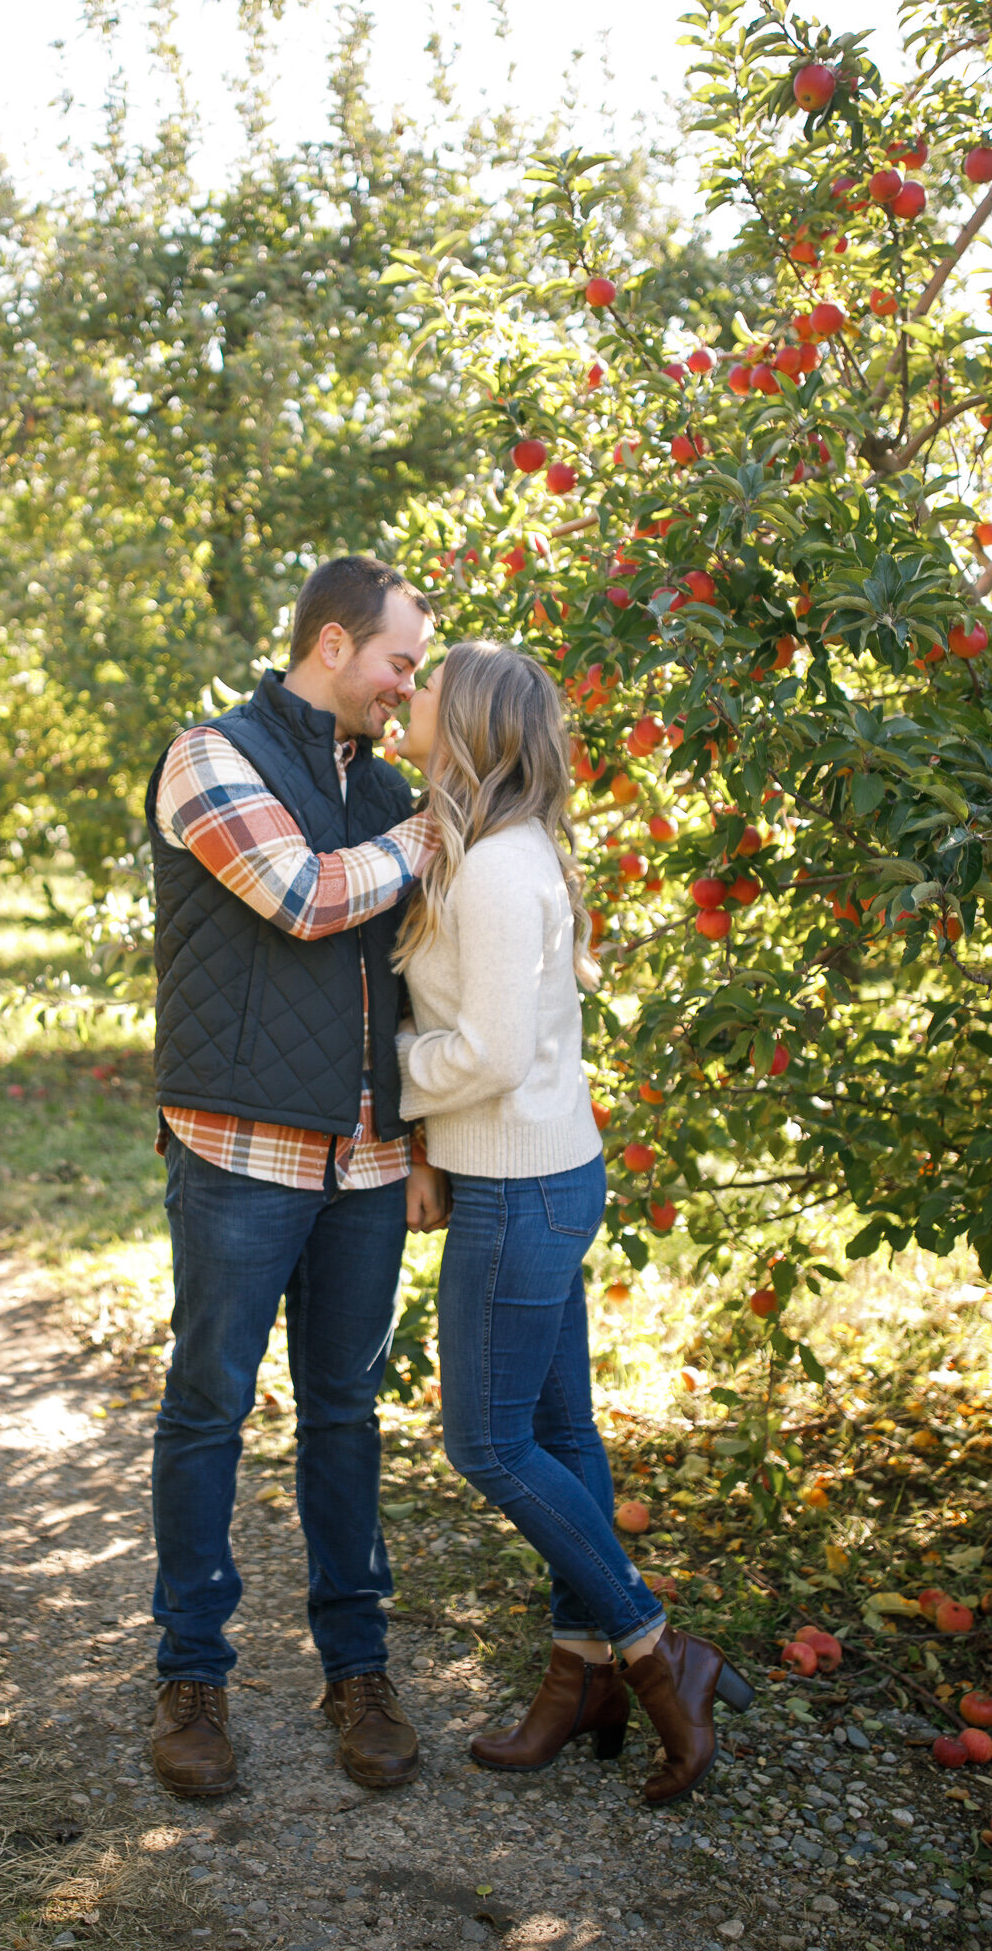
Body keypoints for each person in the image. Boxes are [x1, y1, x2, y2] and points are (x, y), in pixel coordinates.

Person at [392, 639, 753, 1806]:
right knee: (563, 1432)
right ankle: (582, 1673)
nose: (408, 695)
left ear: (473, 726)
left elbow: (486, 1051)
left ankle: (654, 1648)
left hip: (519, 1184)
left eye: (427, 687)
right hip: (543, 1170)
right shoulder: (500, 847)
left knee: (488, 1443)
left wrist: (388, 1069)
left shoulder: (497, 868)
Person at [144, 554, 451, 1798]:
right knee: (209, 1406)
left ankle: (357, 1669)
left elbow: (415, 980)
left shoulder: (384, 784)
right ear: (333, 643)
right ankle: (193, 1677)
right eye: (399, 662)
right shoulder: (207, 757)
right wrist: (438, 829)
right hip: (242, 1149)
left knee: (345, 1416)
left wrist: (423, 1146)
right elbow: (305, 897)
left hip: (370, 1160)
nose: (406, 687)